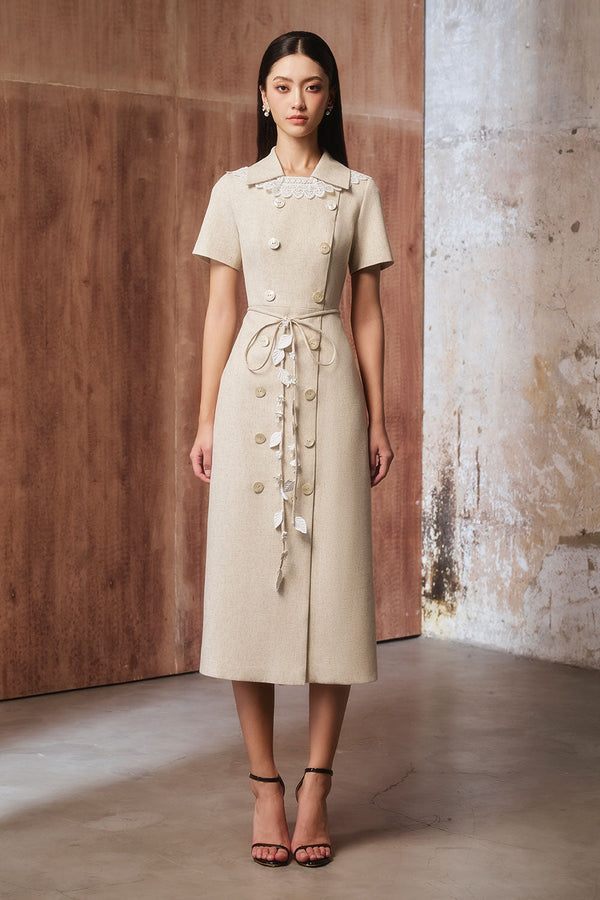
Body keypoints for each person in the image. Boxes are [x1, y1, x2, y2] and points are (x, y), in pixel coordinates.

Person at [190, 31, 394, 868]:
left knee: (333, 585)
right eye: (283, 85)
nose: (298, 100)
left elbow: (368, 314)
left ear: (331, 97)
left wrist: (377, 419)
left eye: (312, 85)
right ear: (263, 96)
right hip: (251, 390)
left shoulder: (358, 191)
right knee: (249, 585)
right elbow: (219, 311)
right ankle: (264, 786)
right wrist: (206, 418)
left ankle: (316, 784)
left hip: (331, 387)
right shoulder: (234, 189)